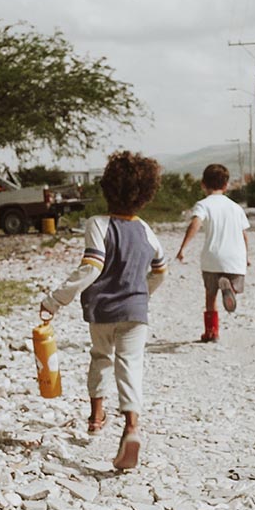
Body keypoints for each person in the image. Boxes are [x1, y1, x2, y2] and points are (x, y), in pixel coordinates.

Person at [39, 151, 167, 471]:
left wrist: (55, 300)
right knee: (130, 364)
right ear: (147, 194)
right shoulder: (147, 230)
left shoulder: (98, 224)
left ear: (108, 188)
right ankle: (131, 426)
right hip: (135, 311)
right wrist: (142, 294)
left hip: (102, 311)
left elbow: (92, 266)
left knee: (100, 357)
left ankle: (96, 417)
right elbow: (161, 270)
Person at [174, 163, 250, 343]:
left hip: (212, 258)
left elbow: (195, 224)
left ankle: (211, 332)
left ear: (203, 184)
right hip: (235, 258)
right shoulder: (236, 207)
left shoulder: (203, 205)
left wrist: (183, 248)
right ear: (226, 185)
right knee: (236, 287)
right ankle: (230, 288)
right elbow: (244, 235)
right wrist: (246, 256)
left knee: (210, 295)